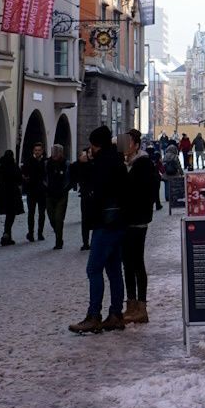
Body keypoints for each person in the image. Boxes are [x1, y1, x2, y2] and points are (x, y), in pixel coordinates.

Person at [69, 127, 129, 334]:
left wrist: (83, 164)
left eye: (93, 145)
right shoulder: (117, 160)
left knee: (93, 269)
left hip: (105, 223)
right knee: (114, 271)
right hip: (118, 222)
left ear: (97, 145)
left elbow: (91, 186)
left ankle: (94, 315)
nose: (91, 149)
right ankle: (115, 314)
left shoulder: (101, 163)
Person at [121, 129, 159, 325]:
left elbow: (138, 191)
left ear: (136, 145)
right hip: (131, 219)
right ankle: (132, 304)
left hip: (137, 220)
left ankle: (140, 307)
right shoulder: (130, 164)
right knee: (128, 262)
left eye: (128, 142)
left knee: (135, 262)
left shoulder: (141, 164)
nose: (124, 146)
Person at [44, 145, 70, 249]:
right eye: (54, 152)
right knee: (51, 218)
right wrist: (45, 187)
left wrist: (65, 189)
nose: (55, 154)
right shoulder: (47, 164)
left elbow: (70, 178)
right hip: (49, 194)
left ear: (61, 153)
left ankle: (58, 241)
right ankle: (58, 232)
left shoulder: (66, 164)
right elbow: (43, 176)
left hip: (62, 195)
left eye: (57, 152)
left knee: (59, 218)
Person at [0, 151, 23, 246]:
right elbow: (19, 180)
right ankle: (6, 234)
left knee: (8, 215)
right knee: (11, 216)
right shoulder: (14, 167)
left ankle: (8, 236)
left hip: (3, 194)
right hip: (13, 194)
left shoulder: (0, 167)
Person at [22, 143, 47, 243]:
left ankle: (40, 233)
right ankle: (31, 233)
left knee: (41, 213)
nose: (37, 152)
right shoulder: (28, 161)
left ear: (42, 151)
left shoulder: (45, 161)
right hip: (31, 191)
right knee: (31, 213)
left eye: (39, 150)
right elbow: (24, 174)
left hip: (42, 191)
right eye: (36, 150)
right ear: (33, 151)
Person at [71, 147, 93, 251]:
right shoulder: (79, 165)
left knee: (95, 220)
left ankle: (93, 241)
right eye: (87, 153)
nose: (88, 155)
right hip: (85, 196)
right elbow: (72, 170)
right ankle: (85, 242)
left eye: (89, 152)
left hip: (95, 196)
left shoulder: (95, 164)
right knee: (85, 220)